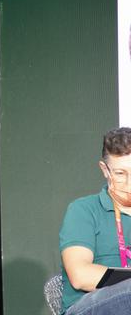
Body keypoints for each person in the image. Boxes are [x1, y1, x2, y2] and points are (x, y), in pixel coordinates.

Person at [59, 127, 131, 314]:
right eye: (121, 174)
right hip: (88, 306)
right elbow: (80, 275)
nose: (130, 184)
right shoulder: (84, 210)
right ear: (104, 170)